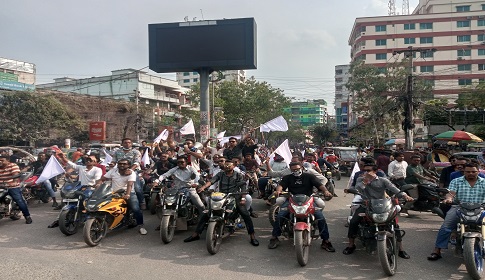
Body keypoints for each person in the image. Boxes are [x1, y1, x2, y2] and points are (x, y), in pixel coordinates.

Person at [343, 163, 413, 258]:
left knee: (394, 224)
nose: (366, 172)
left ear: (375, 171)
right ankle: (351, 245)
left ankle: (401, 249)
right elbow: (357, 189)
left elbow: (395, 189)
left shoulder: (383, 180)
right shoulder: (360, 180)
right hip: (366, 205)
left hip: (382, 205)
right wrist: (366, 181)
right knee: (354, 221)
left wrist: (405, 196)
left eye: (368, 170)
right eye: (365, 170)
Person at [184, 161, 260, 246]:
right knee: (207, 212)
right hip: (221, 196)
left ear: (234, 166)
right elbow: (212, 181)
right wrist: (203, 187)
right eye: (226, 165)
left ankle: (252, 236)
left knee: (245, 214)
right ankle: (196, 234)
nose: (227, 166)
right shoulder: (221, 174)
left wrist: (242, 198)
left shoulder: (238, 175)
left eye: (229, 165)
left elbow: (242, 186)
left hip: (234, 196)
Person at [268, 162, 335, 252]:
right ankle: (274, 237)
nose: (296, 171)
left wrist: (326, 191)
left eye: (297, 169)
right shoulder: (288, 178)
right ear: (290, 170)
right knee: (281, 215)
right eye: (293, 170)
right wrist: (278, 191)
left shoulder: (309, 176)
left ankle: (325, 241)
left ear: (302, 168)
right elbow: (281, 186)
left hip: (308, 200)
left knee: (320, 218)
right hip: (292, 199)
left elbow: (320, 185)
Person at [427, 162, 485, 261]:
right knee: (446, 226)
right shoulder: (456, 181)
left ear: (478, 171)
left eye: (473, 171)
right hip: (459, 207)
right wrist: (448, 199)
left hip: (481, 208)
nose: (471, 173)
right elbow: (451, 193)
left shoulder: (484, 182)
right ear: (464, 172)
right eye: (468, 171)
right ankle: (437, 250)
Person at [48, 152, 103, 228]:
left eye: (90, 160)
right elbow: (71, 164)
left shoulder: (97, 170)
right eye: (87, 159)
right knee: (67, 200)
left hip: (90, 189)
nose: (88, 161)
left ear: (95, 162)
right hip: (79, 188)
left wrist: (96, 184)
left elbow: (97, 179)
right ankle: (59, 219)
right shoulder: (81, 167)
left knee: (88, 204)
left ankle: (91, 219)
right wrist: (63, 157)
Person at [96, 158, 147, 235]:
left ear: (129, 165)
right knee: (102, 205)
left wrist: (128, 194)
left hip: (128, 193)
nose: (122, 165)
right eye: (120, 163)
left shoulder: (131, 173)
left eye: (124, 164)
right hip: (113, 193)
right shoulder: (113, 170)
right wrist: (98, 183)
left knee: (136, 208)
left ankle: (141, 226)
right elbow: (103, 178)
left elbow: (130, 184)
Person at [110, 138, 144, 209]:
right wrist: (112, 164)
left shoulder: (136, 152)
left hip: (133, 171)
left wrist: (130, 170)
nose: (127, 144)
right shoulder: (117, 152)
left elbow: (137, 162)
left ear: (131, 144)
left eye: (129, 142)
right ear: (122, 144)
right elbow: (114, 160)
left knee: (137, 188)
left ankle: (141, 202)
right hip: (119, 170)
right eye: (125, 143)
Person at [0, 155, 32, 224]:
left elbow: (16, 175)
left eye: (2, 160)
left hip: (11, 186)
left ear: (8, 160)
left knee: (19, 201)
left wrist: (14, 182)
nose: (0, 162)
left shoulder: (13, 166)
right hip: (1, 186)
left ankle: (27, 216)